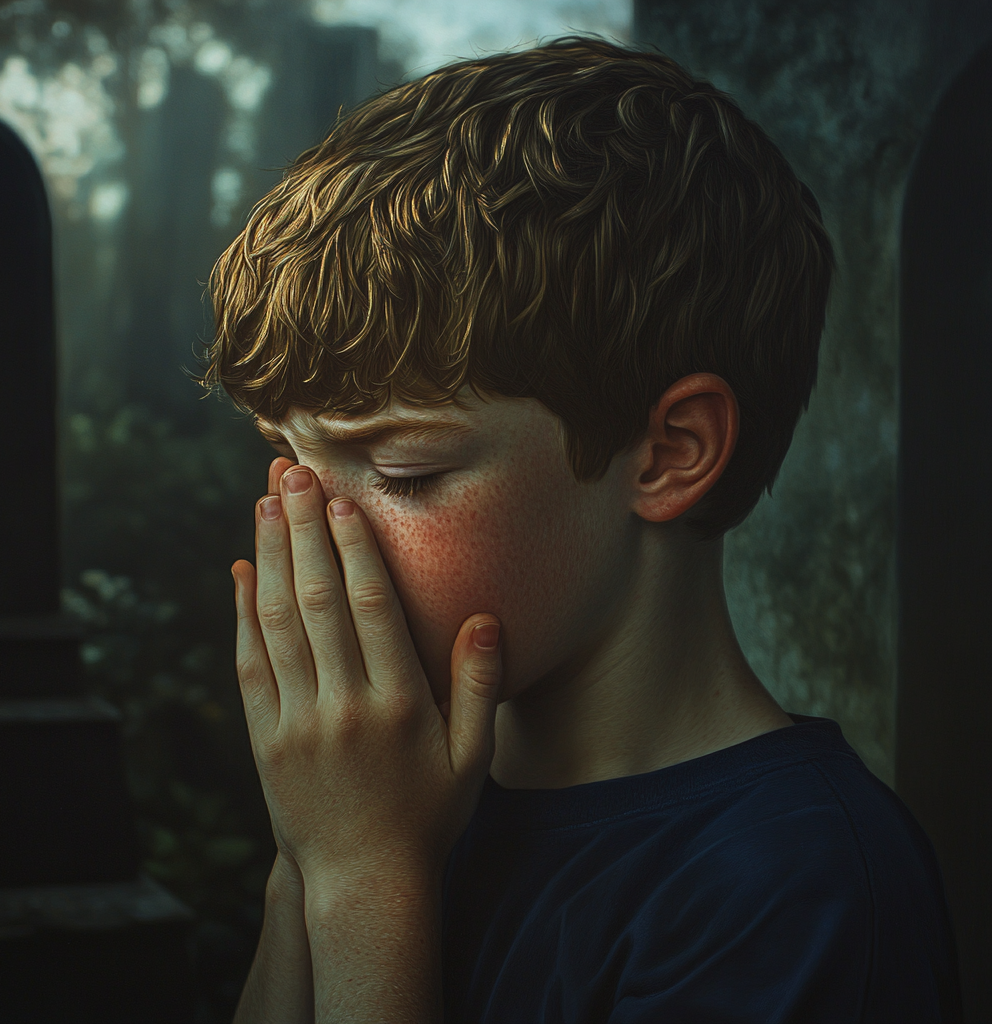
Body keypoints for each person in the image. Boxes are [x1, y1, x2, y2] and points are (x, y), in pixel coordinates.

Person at [202, 37, 961, 1023]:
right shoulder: (391, 792)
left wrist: (361, 880)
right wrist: (310, 855)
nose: (314, 531)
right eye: (292, 460)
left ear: (668, 453)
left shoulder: (797, 890)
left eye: (403, 470)